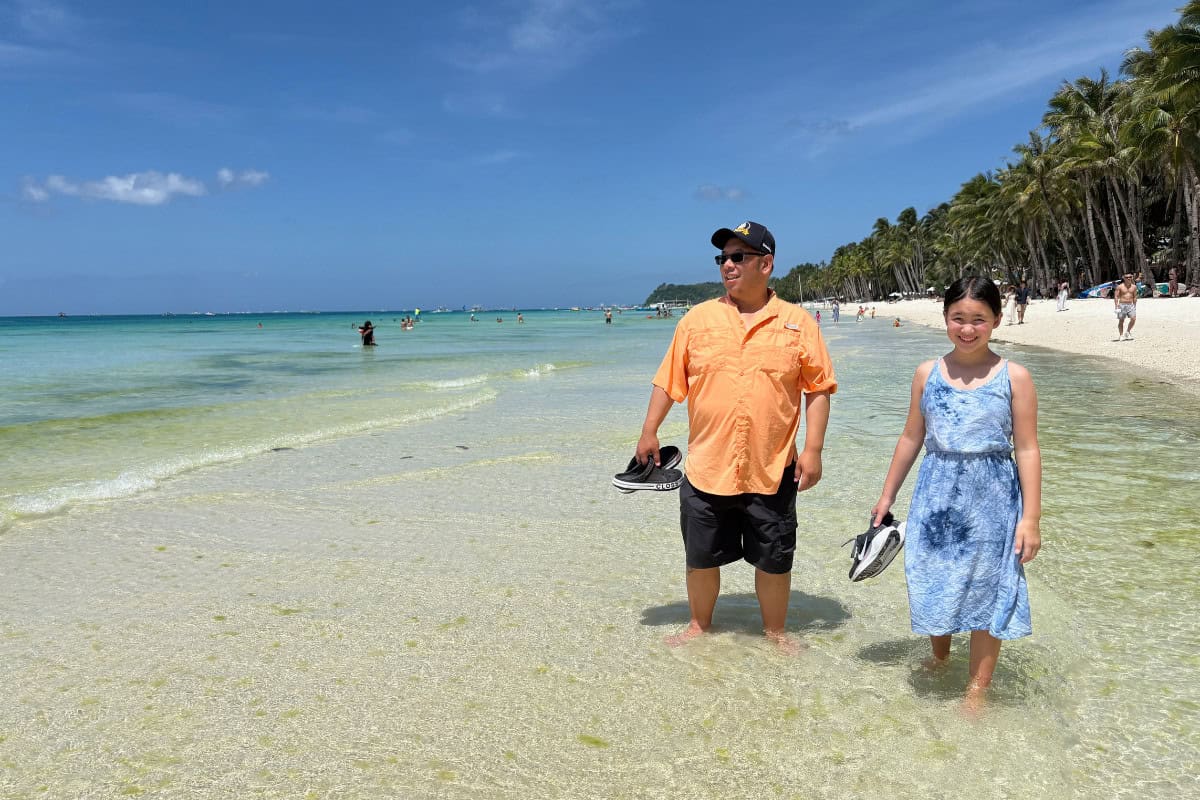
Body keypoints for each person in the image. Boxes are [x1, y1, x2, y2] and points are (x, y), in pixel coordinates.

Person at [635, 220, 836, 651]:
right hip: (707, 468)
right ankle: (699, 626)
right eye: (722, 257)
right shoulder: (697, 321)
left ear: (766, 264)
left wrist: (814, 450)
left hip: (772, 466)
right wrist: (649, 430)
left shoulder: (798, 324)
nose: (727, 264)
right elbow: (668, 381)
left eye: (737, 256)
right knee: (700, 557)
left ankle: (775, 633)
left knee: (775, 561)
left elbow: (818, 389)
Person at [870, 276, 1040, 713]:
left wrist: (1031, 519)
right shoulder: (927, 372)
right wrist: (887, 496)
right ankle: (940, 657)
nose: (967, 329)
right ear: (945, 319)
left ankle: (977, 690)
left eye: (978, 320)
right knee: (935, 580)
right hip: (937, 495)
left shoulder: (1015, 377)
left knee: (991, 589)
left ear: (997, 320)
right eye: (958, 319)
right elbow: (911, 437)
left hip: (994, 500)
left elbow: (1027, 448)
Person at [1113, 272, 1138, 341]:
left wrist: (1135, 305)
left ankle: (1128, 331)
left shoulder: (1134, 287)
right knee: (1121, 320)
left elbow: (1135, 296)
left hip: (1131, 305)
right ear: (1123, 278)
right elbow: (1116, 296)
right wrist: (1116, 306)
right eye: (1127, 277)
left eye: (1130, 277)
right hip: (1122, 305)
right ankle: (1121, 335)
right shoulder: (1120, 286)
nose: (1129, 278)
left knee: (1133, 319)